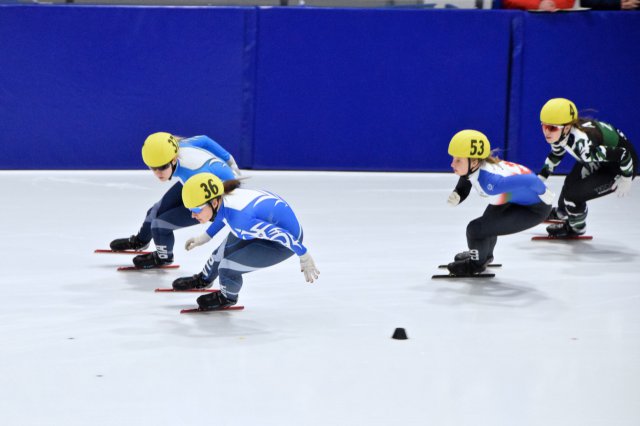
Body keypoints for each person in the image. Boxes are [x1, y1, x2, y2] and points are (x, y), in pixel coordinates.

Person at [172, 173, 319, 310]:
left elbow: (279, 234)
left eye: (196, 210)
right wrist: (204, 238)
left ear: (215, 202)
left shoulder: (240, 221)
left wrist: (304, 255)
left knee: (226, 267)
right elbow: (222, 216)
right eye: (190, 210)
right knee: (220, 253)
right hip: (259, 223)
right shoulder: (224, 201)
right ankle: (204, 279)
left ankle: (227, 297)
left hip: (284, 243)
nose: (192, 215)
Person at [109, 132, 240, 268]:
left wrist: (206, 237)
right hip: (196, 183)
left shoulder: (194, 173)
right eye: (153, 168)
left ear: (173, 159)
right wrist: (229, 159)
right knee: (154, 211)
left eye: (163, 167)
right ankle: (141, 240)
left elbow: (227, 212)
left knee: (160, 225)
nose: (158, 173)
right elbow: (204, 140)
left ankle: (163, 257)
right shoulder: (178, 147)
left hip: (216, 192)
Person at [446, 129, 553, 276]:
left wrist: (544, 192)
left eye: (458, 160)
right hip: (515, 200)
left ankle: (475, 265)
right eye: (453, 158)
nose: (452, 163)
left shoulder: (490, 182)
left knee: (475, 229)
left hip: (534, 209)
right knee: (486, 225)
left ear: (475, 161)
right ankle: (483, 255)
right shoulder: (476, 167)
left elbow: (531, 180)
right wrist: (459, 193)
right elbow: (466, 178)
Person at [538, 98, 637, 237]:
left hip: (621, 166)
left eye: (552, 128)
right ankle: (563, 212)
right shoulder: (561, 134)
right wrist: (539, 180)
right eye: (544, 126)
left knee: (573, 196)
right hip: (601, 158)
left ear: (566, 128)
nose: (547, 132)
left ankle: (576, 228)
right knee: (569, 184)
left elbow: (624, 154)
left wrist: (627, 177)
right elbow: (556, 155)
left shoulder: (583, 145)